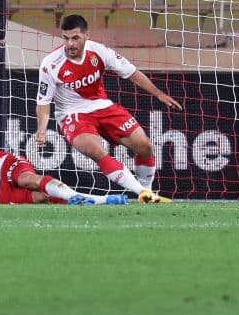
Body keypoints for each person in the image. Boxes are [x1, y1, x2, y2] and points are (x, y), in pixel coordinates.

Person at [33, 14, 182, 203]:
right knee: (96, 151)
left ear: (86, 35)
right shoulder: (51, 63)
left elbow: (131, 73)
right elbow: (43, 102)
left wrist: (158, 93)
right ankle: (143, 194)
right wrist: (42, 129)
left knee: (145, 146)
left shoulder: (100, 52)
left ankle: (147, 191)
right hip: (72, 114)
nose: (70, 44)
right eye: (66, 38)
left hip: (102, 106)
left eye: (75, 38)